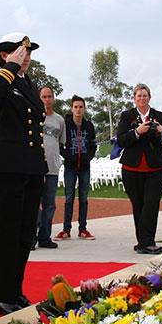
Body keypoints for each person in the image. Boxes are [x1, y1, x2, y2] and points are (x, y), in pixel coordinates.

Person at [0, 33, 47, 315]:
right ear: (5, 54)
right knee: (4, 233)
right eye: (21, 52)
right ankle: (1, 295)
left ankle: (14, 290)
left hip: (29, 167)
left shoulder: (27, 84)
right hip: (4, 166)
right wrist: (9, 67)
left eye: (29, 52)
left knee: (23, 234)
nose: (26, 56)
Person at [117, 83, 162, 255]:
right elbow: (121, 140)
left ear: (149, 97)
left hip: (156, 168)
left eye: (145, 96)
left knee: (151, 205)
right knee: (138, 205)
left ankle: (148, 242)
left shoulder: (159, 116)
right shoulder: (126, 116)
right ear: (134, 98)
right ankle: (142, 242)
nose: (142, 99)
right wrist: (137, 132)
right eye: (139, 96)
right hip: (131, 168)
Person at [55, 95, 98, 240]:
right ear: (72, 109)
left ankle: (83, 229)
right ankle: (66, 229)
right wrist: (69, 156)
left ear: (84, 109)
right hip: (70, 166)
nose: (78, 110)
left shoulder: (89, 126)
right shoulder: (66, 125)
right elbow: (59, 145)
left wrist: (88, 156)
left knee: (84, 198)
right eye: (76, 107)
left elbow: (93, 144)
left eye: (81, 107)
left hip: (85, 166)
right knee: (69, 198)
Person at [35, 87, 65, 249]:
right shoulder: (34, 117)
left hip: (52, 167)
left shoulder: (59, 120)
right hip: (35, 168)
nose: (47, 100)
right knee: (33, 203)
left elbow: (60, 141)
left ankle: (45, 237)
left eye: (49, 96)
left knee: (49, 204)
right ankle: (31, 236)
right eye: (44, 97)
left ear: (53, 98)